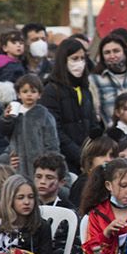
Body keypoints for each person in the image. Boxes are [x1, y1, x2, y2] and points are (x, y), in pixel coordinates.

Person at [41, 40, 100, 173]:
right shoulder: (51, 90)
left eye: (82, 58)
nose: (80, 63)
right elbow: (55, 129)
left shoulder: (85, 90)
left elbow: (92, 123)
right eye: (74, 58)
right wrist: (80, 155)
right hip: (63, 162)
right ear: (63, 60)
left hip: (85, 161)